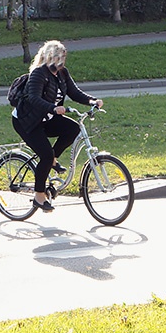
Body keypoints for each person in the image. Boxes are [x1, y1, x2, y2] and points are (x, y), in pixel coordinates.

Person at [12, 40, 104, 212]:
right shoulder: (39, 73)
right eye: (58, 57)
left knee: (73, 129)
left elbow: (74, 92)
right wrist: (53, 108)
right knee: (45, 156)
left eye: (63, 57)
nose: (62, 60)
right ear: (50, 57)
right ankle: (39, 196)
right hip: (27, 121)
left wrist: (92, 101)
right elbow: (34, 98)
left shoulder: (62, 73)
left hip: (46, 118)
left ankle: (52, 159)